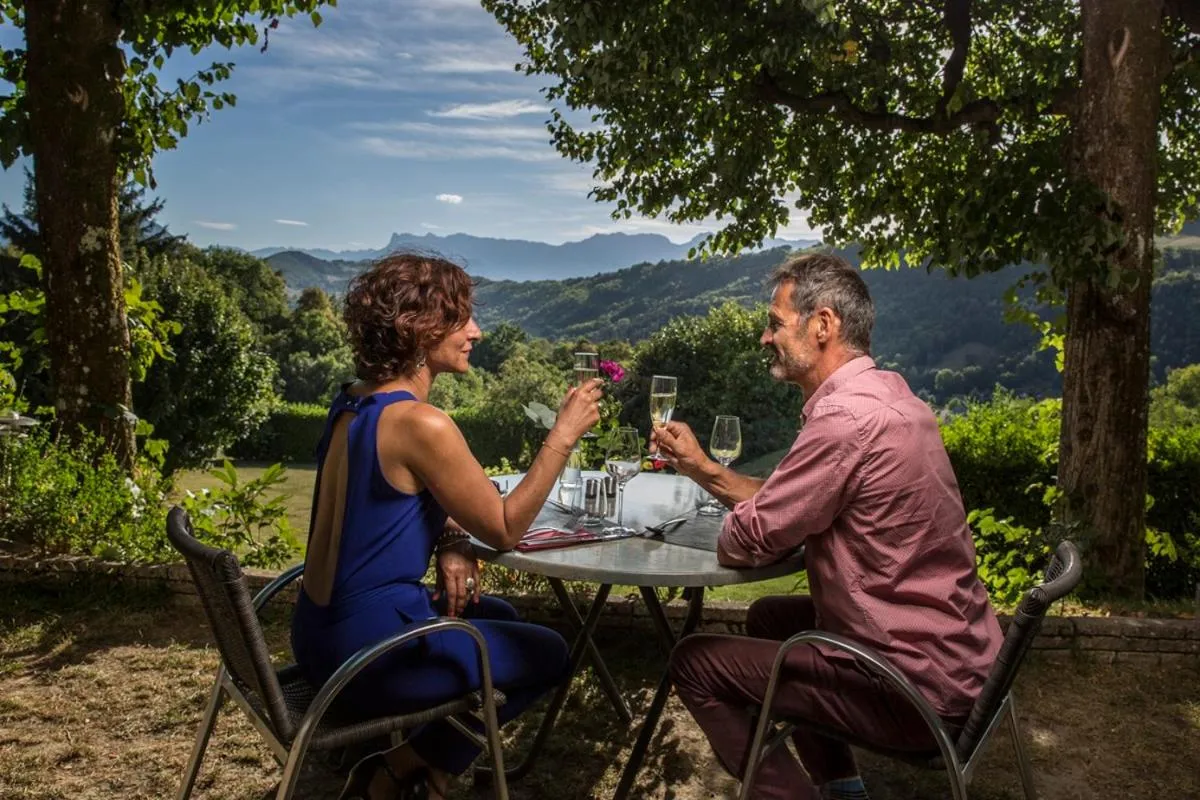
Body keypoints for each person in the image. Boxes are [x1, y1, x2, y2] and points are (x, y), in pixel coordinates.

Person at [652, 252, 1003, 800]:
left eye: (775, 324)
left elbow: (743, 542)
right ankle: (842, 789)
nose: (766, 338)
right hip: (959, 664)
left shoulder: (845, 420)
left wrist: (739, 523)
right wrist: (702, 468)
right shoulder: (891, 397)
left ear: (822, 325)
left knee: (694, 662)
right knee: (771, 616)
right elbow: (790, 504)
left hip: (910, 690)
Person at [290, 252, 601, 800]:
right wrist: (563, 435)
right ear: (420, 328)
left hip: (319, 633)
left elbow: (402, 501)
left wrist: (453, 540)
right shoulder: (421, 424)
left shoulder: (354, 404)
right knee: (549, 652)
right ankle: (398, 768)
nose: (476, 331)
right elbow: (505, 528)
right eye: (462, 319)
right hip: (367, 659)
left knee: (496, 612)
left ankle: (416, 768)